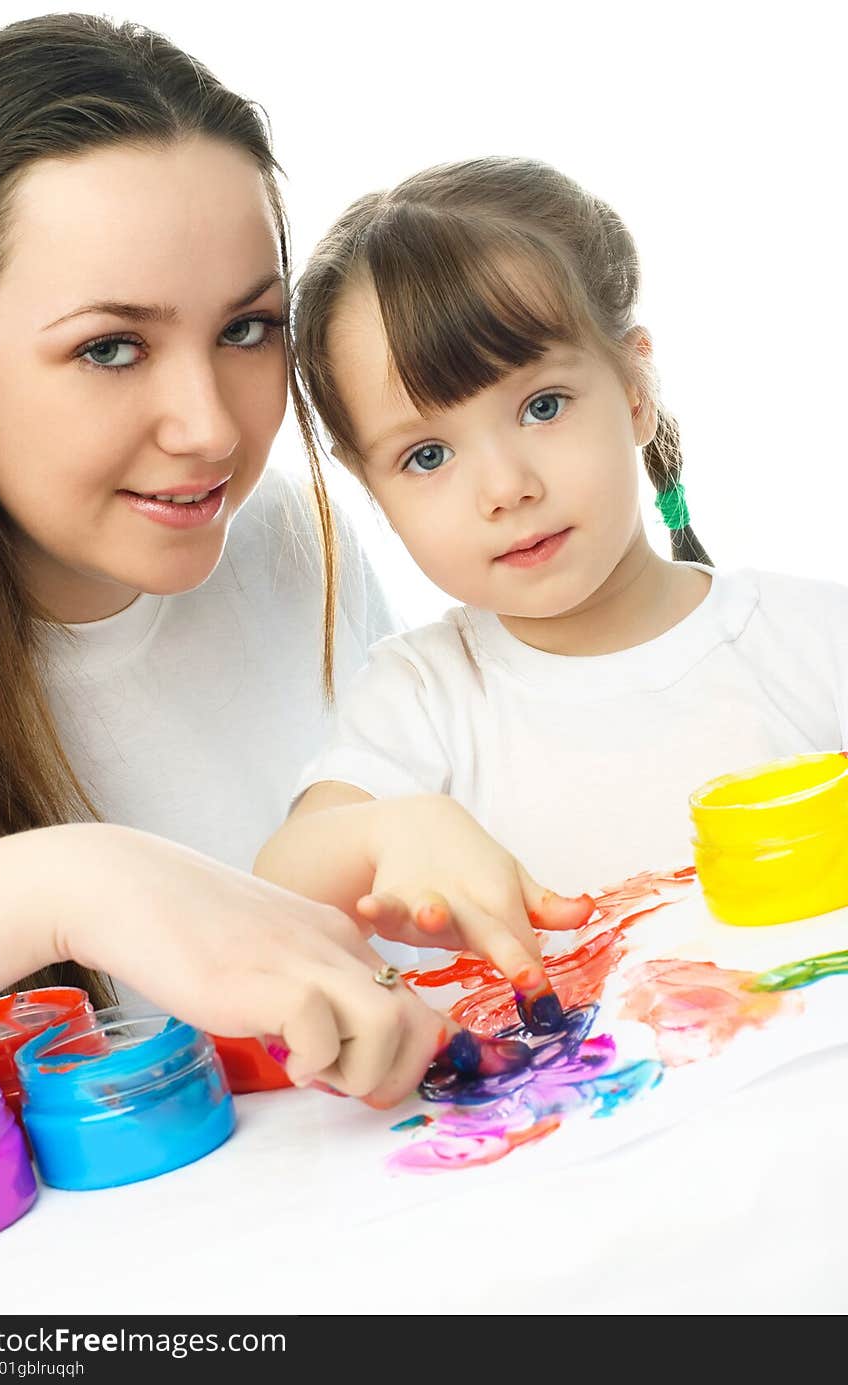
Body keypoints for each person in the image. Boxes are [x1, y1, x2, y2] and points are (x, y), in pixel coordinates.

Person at [0, 12, 451, 1105]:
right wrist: (69, 881)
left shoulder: (281, 536)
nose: (212, 431)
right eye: (110, 347)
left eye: (246, 329)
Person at [253, 155, 848, 963]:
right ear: (372, 487)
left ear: (636, 387)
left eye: (541, 406)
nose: (504, 488)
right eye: (427, 455)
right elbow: (277, 884)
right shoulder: (428, 695)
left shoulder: (813, 638)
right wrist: (389, 827)